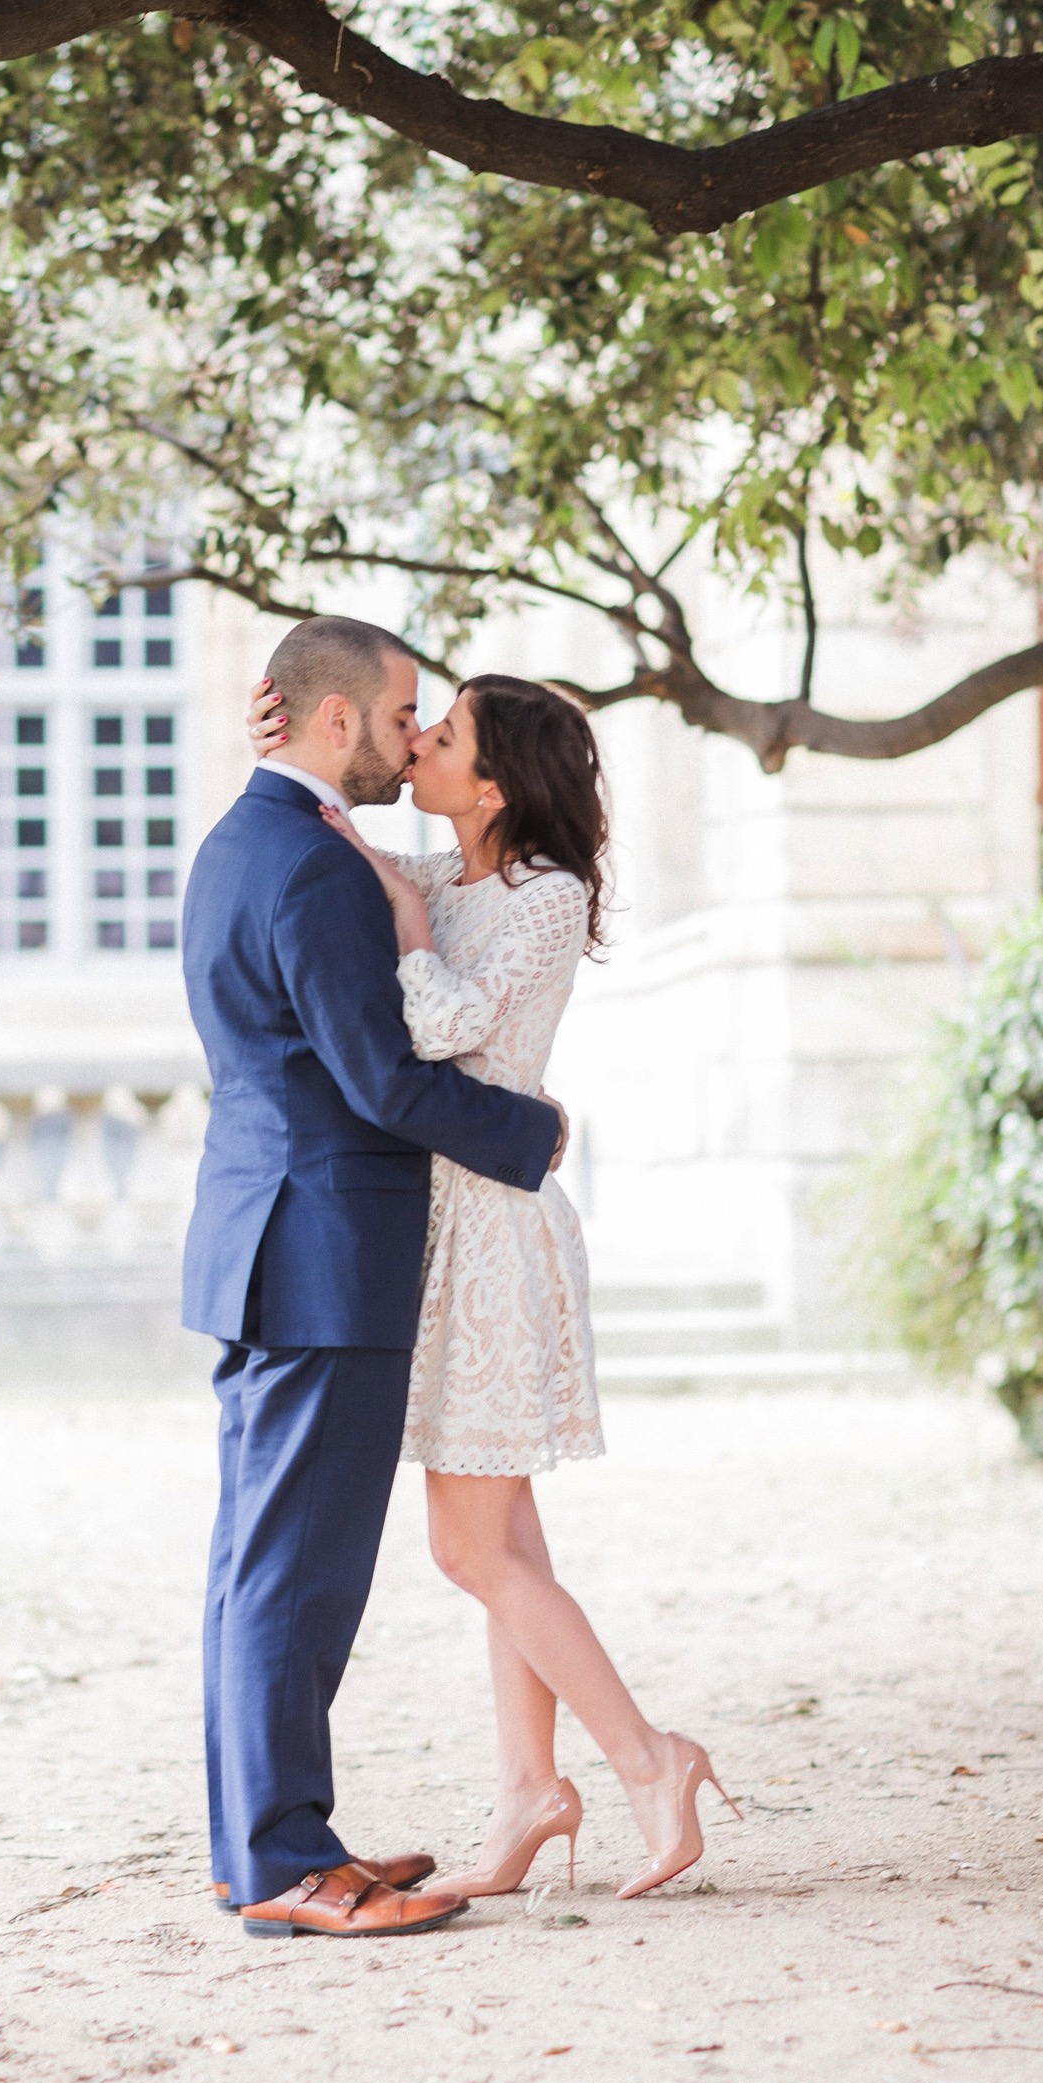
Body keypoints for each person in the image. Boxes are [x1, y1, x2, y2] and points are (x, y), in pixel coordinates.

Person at [248, 666, 740, 1901]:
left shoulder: (542, 896)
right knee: (506, 1536)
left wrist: (410, 936)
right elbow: (326, 831)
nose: (416, 740)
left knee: (469, 1547)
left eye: (444, 730)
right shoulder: (432, 872)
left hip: (494, 1240)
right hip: (445, 1226)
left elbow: (441, 1030)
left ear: (494, 783)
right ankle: (529, 1789)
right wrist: (284, 743)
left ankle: (647, 1760)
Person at [182, 616, 566, 1940]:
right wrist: (535, 1135)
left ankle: (265, 1848)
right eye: (404, 718)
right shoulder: (312, 870)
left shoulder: (254, 841)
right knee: (294, 1574)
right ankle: (287, 1865)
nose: (413, 744)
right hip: (325, 1258)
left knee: (258, 1565)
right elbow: (381, 1081)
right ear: (336, 723)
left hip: (268, 1244)